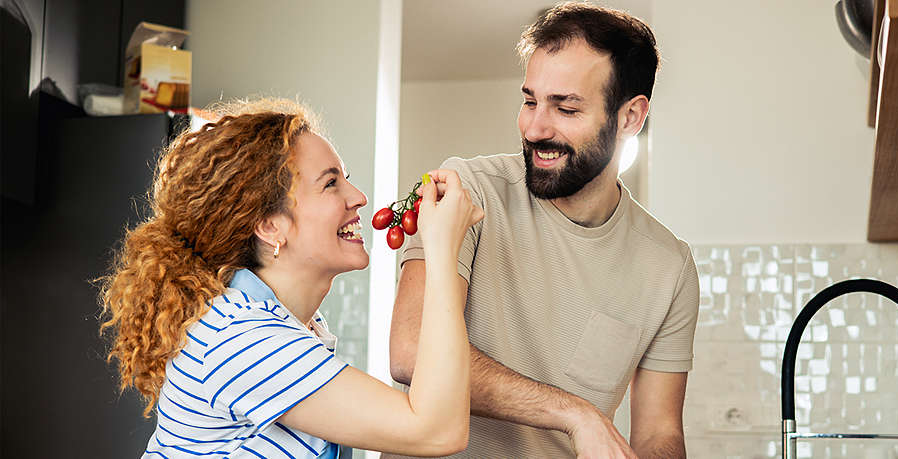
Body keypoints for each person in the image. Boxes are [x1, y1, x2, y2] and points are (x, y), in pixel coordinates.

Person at [387, 3, 700, 459]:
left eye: (566, 108)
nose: (534, 128)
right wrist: (575, 413)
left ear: (630, 117)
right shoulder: (467, 192)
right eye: (530, 100)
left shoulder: (669, 266)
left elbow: (659, 433)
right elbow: (410, 353)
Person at [99, 98, 483, 458]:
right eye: (330, 183)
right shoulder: (241, 338)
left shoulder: (282, 325)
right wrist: (442, 251)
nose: (359, 197)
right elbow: (438, 430)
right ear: (269, 225)